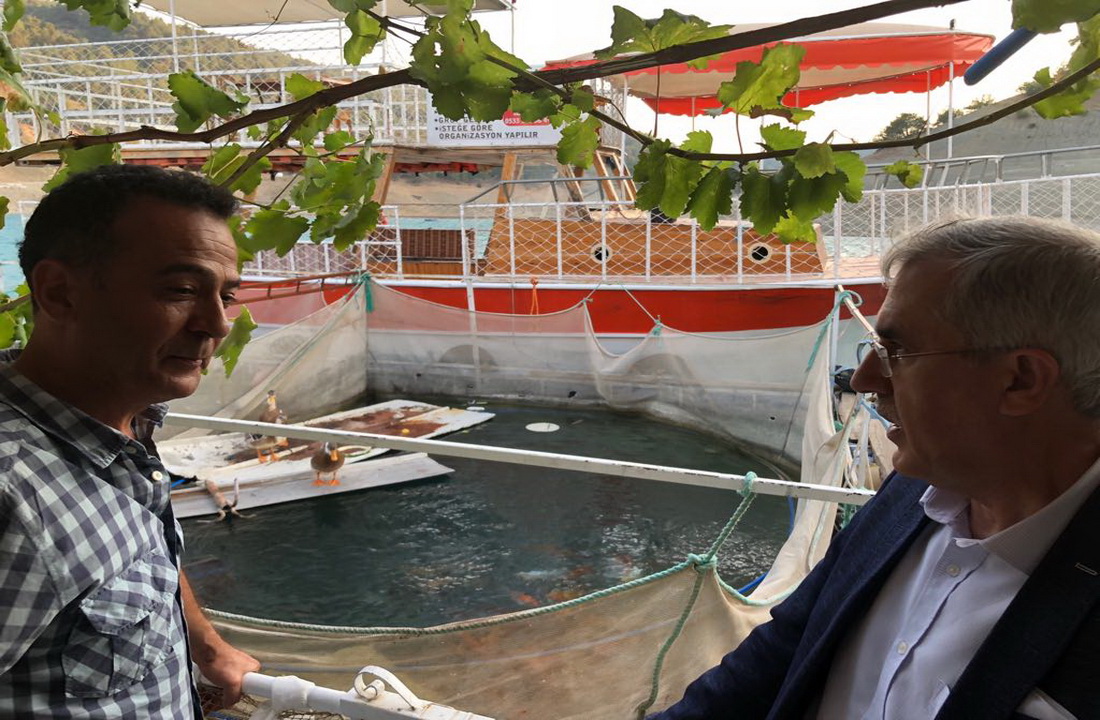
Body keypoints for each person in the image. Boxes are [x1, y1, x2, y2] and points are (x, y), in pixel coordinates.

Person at [651, 215, 1100, 719]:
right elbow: (777, 657)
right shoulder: (908, 495)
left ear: (1021, 379)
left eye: (897, 351)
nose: (863, 379)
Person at [0, 164, 261, 717]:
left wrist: (207, 648)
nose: (217, 324)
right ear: (59, 293)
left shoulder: (125, 426)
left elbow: (138, 557)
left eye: (226, 295)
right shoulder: (13, 491)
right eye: (181, 290)